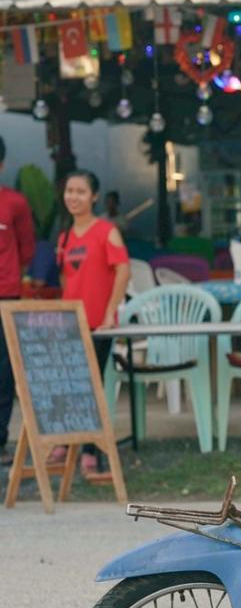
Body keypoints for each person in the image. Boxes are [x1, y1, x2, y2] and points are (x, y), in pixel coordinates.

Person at [56, 170, 130, 474]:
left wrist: (110, 314)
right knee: (66, 384)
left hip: (98, 326)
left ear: (94, 196)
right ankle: (64, 441)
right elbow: (66, 278)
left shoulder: (105, 231)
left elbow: (123, 271)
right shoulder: (64, 236)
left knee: (91, 386)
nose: (74, 197)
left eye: (81, 192)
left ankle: (89, 449)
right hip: (70, 322)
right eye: (69, 191)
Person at [0, 136, 37, 466]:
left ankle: (0, 441)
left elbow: (27, 248)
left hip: (6, 296)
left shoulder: (15, 202)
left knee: (3, 372)